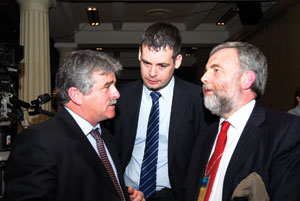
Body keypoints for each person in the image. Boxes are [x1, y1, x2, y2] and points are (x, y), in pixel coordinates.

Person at [4, 50, 145, 201]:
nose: (116, 94)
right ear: (76, 95)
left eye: (114, 85)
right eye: (107, 86)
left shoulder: (104, 136)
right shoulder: (38, 142)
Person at [185, 42, 300, 201]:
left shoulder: (286, 131)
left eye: (216, 70)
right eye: (206, 71)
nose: (204, 78)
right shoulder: (205, 134)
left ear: (246, 79)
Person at [108, 22, 207, 201]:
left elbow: (203, 159)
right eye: (146, 63)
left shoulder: (198, 100)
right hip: (127, 193)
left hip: (174, 196)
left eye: (162, 65)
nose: (152, 73)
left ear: (177, 62)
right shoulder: (121, 97)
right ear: (139, 54)